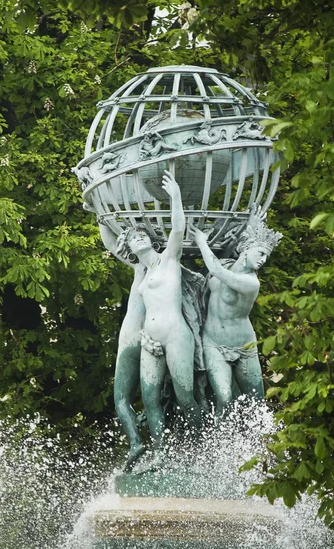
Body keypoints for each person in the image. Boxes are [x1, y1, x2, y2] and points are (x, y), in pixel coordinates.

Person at [117, 171, 202, 454]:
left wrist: (175, 196)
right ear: (128, 248)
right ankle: (161, 454)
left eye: (142, 234)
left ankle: (203, 452)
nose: (138, 238)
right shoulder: (140, 273)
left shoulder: (168, 259)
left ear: (151, 240)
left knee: (185, 396)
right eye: (133, 238)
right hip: (150, 342)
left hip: (176, 335)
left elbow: (178, 229)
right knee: (149, 399)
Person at [190, 220, 282, 418]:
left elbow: (215, 270)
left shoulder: (251, 282)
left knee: (256, 402)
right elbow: (218, 259)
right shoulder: (227, 263)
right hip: (213, 342)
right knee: (223, 397)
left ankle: (260, 444)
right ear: (246, 250)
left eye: (267, 256)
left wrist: (201, 241)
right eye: (261, 253)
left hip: (244, 346)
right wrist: (251, 220)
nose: (263, 260)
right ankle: (219, 443)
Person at [98, 221, 148, 472]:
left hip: (132, 335)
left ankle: (136, 442)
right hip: (160, 335)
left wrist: (99, 214)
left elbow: (109, 243)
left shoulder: (141, 265)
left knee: (121, 398)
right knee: (156, 401)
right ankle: (161, 445)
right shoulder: (170, 265)